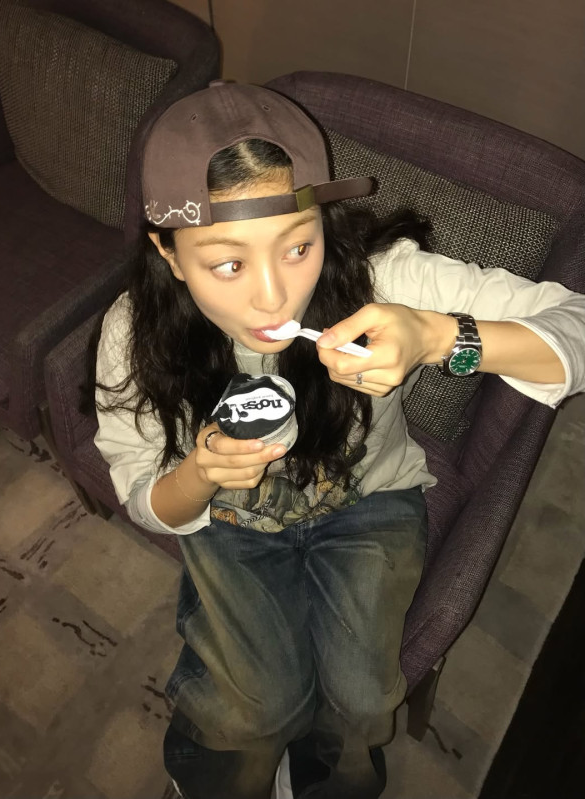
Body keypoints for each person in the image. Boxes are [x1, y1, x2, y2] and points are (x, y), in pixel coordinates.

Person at [93, 80, 585, 799]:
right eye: (228, 263)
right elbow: (145, 496)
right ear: (169, 253)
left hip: (369, 501)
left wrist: (437, 337)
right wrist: (201, 473)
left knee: (362, 700)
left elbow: (577, 326)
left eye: (298, 246)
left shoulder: (381, 277)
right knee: (255, 705)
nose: (273, 295)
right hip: (227, 518)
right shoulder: (134, 334)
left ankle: (326, 780)